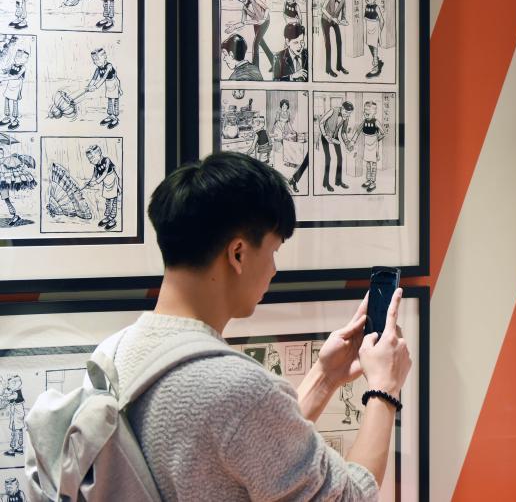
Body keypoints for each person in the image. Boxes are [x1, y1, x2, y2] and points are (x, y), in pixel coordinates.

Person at [56, 151, 415, 500]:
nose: (273, 269)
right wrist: (384, 387)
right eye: (273, 251)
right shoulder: (239, 390)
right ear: (238, 253)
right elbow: (350, 497)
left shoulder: (113, 353)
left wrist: (325, 377)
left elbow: (244, 449)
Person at [225, 0, 273, 71]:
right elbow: (243, 22)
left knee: (255, 44)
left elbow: (267, 9)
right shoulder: (244, 8)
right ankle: (274, 62)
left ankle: (255, 68)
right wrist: (233, 27)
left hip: (265, 21)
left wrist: (263, 19)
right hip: (256, 24)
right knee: (262, 43)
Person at [350, 101, 387, 192]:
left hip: (374, 145)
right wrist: (352, 141)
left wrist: (377, 139)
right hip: (366, 145)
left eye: (368, 111)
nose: (366, 112)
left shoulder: (376, 122)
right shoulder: (364, 122)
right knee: (367, 163)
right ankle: (368, 180)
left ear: (374, 112)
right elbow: (357, 131)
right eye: (365, 110)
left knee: (373, 164)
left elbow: (383, 133)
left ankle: (373, 182)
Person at [318, 100, 354, 192]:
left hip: (335, 137)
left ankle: (338, 181)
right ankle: (326, 183)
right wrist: (325, 135)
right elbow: (321, 122)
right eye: (346, 112)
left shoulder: (346, 117)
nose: (347, 115)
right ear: (342, 108)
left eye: (349, 113)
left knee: (340, 158)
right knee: (328, 158)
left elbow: (343, 132)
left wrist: (347, 142)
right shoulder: (333, 110)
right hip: (325, 136)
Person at [83, 144, 120, 231]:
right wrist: (90, 182)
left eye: (92, 158)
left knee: (113, 201)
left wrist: (96, 182)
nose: (90, 161)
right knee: (108, 201)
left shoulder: (106, 160)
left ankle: (112, 219)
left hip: (113, 182)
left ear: (99, 154)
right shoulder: (96, 165)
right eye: (89, 159)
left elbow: (105, 173)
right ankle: (108, 217)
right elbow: (94, 175)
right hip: (106, 184)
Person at [0, 145, 36, 228]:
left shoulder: (6, 161)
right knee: (6, 199)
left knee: (7, 200)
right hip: (2, 184)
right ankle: (15, 216)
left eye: (1, 153)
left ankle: (15, 216)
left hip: (2, 185)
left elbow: (12, 172)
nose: (1, 154)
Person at [86, 47, 121, 129]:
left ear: (104, 57)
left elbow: (103, 78)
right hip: (108, 85)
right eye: (94, 60)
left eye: (97, 59)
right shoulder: (98, 69)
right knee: (110, 100)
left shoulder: (109, 66)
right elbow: (93, 79)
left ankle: (115, 118)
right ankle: (110, 116)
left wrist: (95, 87)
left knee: (114, 101)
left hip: (114, 84)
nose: (95, 62)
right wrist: (89, 86)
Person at [320, 0, 350, 77]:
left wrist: (344, 21)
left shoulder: (343, 1)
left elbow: (343, 15)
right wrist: (332, 18)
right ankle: (328, 69)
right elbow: (323, 9)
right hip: (325, 20)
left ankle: (339, 66)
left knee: (339, 42)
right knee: (328, 44)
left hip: (335, 21)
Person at [0, 48, 28, 130]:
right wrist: (4, 71)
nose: (16, 58)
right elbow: (7, 71)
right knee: (7, 98)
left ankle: (15, 119)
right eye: (16, 56)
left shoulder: (23, 68)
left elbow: (16, 76)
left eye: (19, 57)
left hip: (17, 85)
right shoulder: (12, 64)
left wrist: (4, 78)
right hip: (10, 84)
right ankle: (7, 117)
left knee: (15, 101)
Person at [363, 0, 385, 79]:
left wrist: (379, 31)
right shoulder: (366, 6)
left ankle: (376, 67)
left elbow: (382, 20)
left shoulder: (376, 7)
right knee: (369, 44)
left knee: (374, 47)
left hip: (375, 29)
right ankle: (376, 60)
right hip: (368, 28)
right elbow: (366, 18)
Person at [3, 374, 24, 457]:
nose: (8, 386)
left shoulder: (15, 393)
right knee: (19, 431)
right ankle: (19, 448)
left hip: (16, 417)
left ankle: (12, 449)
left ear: (14, 384)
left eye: (9, 384)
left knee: (14, 432)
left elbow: (8, 398)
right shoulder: (17, 392)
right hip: (18, 416)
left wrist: (3, 396)